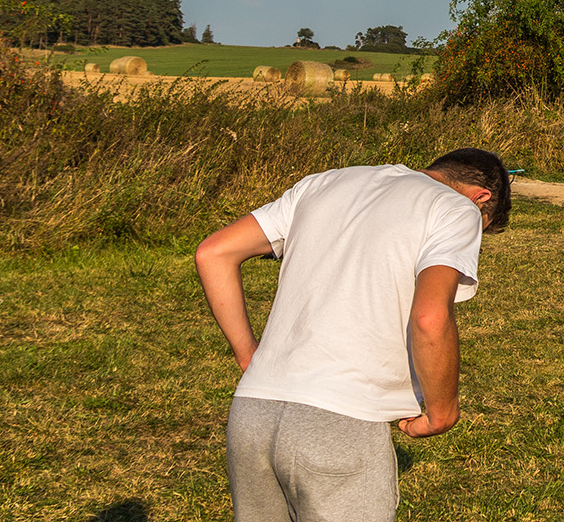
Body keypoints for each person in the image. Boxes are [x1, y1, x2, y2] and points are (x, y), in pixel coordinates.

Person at [194, 148, 512, 522]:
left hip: (252, 413)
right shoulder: (457, 208)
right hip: (344, 419)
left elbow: (213, 252)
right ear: (481, 197)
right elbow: (430, 316)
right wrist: (442, 411)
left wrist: (248, 354)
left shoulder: (324, 182)